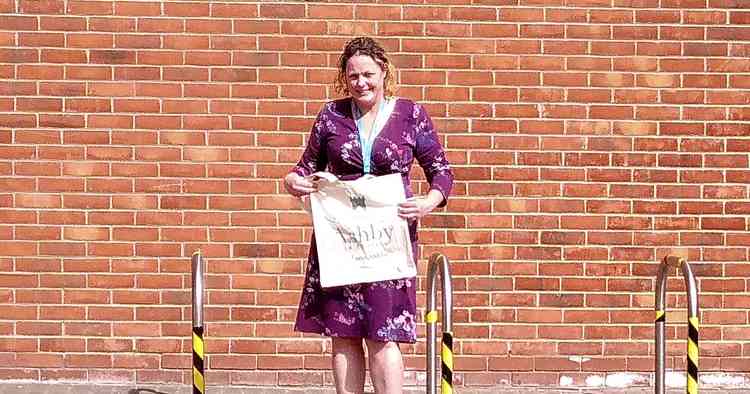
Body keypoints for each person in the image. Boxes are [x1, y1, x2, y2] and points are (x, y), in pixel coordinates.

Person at [282, 36, 454, 394]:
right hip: (339, 238)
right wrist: (293, 182)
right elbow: (303, 167)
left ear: (384, 72)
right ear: (344, 78)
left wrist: (428, 201)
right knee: (343, 332)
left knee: (383, 330)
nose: (361, 83)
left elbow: (441, 171)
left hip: (388, 239)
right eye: (353, 76)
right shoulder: (331, 115)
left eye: (368, 74)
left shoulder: (411, 115)